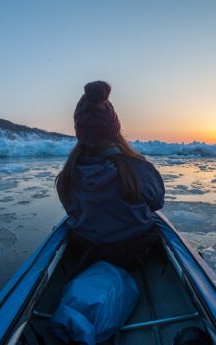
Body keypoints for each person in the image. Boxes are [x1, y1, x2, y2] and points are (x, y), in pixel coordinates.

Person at [56, 81, 165, 269]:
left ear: (80, 133)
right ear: (115, 130)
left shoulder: (68, 175)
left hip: (86, 251)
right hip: (136, 252)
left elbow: (70, 210)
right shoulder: (138, 168)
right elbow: (157, 203)